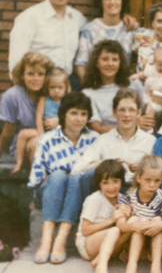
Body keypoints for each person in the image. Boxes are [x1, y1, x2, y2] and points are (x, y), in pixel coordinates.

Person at [27, 92, 99, 264]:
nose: (79, 118)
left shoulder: (95, 139)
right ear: (64, 114)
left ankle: (60, 240)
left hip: (81, 192)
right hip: (53, 190)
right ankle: (46, 243)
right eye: (74, 113)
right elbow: (37, 176)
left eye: (83, 114)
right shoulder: (47, 139)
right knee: (59, 175)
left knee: (76, 177)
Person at [9, 0, 86, 85]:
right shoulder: (29, 17)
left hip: (66, 86)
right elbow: (16, 62)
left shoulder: (78, 19)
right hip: (38, 85)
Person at [71, 88, 156, 190]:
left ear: (138, 113)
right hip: (109, 193)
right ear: (114, 112)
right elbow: (76, 169)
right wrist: (105, 164)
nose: (126, 115)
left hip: (138, 193)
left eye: (131, 110)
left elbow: (160, 173)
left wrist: (143, 169)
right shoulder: (103, 140)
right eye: (122, 110)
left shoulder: (150, 141)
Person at [75, 0, 140, 84]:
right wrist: (90, 87)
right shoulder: (89, 30)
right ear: (100, 2)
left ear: (122, 1)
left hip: (123, 87)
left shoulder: (130, 28)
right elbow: (81, 63)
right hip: (97, 86)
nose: (112, 2)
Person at [116, 155, 162, 273]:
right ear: (138, 178)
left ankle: (156, 267)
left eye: (157, 180)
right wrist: (135, 226)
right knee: (136, 221)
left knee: (158, 220)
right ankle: (132, 266)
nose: (152, 185)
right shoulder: (128, 197)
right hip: (134, 245)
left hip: (156, 245)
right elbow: (120, 224)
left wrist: (160, 225)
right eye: (147, 180)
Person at [76, 160, 132, 273]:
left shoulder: (122, 198)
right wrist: (111, 220)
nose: (111, 187)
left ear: (122, 181)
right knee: (114, 231)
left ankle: (99, 259)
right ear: (99, 183)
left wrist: (128, 214)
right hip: (88, 244)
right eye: (105, 182)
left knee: (131, 225)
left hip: (107, 243)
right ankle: (101, 266)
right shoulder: (95, 199)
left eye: (115, 181)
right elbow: (85, 230)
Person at [12, 67, 71, 174]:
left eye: (60, 87)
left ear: (66, 88)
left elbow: (69, 119)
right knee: (23, 133)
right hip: (43, 131)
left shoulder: (67, 101)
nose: (56, 90)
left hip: (60, 134)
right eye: (52, 87)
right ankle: (19, 162)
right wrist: (41, 134)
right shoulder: (44, 99)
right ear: (47, 87)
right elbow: (38, 116)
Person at [0, 52, 54, 162]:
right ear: (22, 75)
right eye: (30, 74)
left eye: (40, 74)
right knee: (36, 143)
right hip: (23, 144)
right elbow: (8, 131)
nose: (36, 78)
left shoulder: (54, 92)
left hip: (52, 142)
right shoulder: (12, 96)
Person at [81, 40, 143, 134]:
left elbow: (147, 113)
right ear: (96, 63)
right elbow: (97, 129)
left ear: (120, 63)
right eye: (105, 59)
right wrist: (132, 125)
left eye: (114, 60)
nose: (110, 64)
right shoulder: (87, 94)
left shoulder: (133, 83)